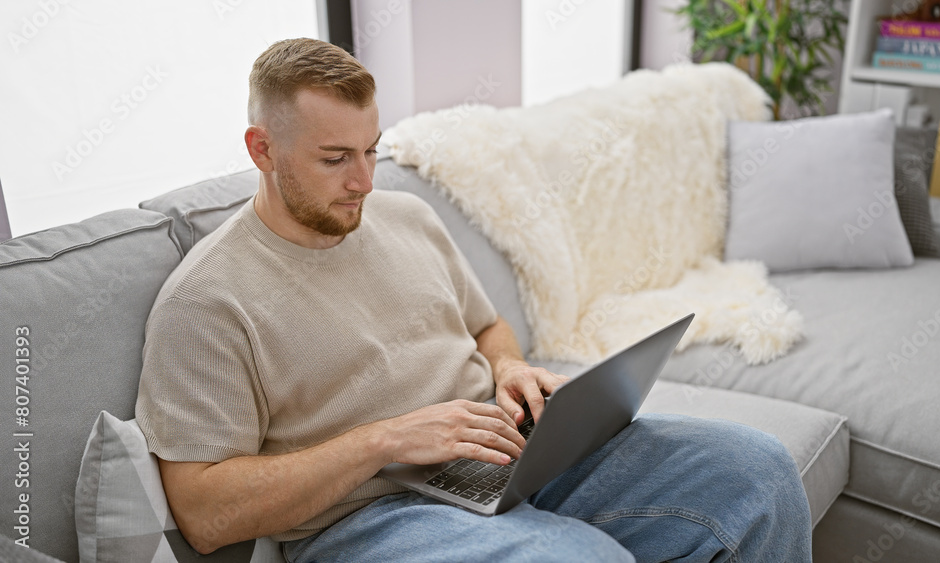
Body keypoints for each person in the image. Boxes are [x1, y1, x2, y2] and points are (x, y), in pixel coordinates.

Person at [135, 37, 813, 562]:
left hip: (499, 457)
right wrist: (383, 440)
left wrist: (511, 370)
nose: (364, 181)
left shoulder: (405, 217)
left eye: (372, 150)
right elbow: (202, 508)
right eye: (336, 158)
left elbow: (489, 327)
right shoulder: (206, 302)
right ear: (262, 149)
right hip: (370, 516)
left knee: (760, 472)